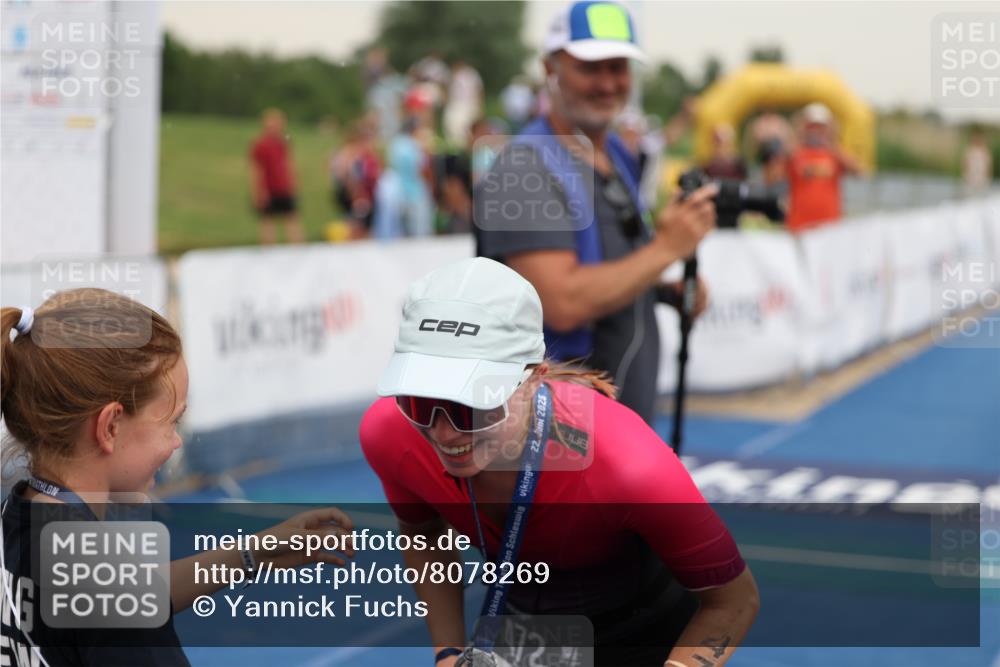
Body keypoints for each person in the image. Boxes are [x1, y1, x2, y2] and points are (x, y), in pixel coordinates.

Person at [360, 257, 759, 667]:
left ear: (533, 379)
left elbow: (734, 599)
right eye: (418, 400)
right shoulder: (390, 433)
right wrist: (447, 652)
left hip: (645, 630)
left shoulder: (629, 465)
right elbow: (423, 535)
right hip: (525, 628)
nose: (443, 433)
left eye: (472, 405)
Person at [1, 289, 354, 666]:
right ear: (110, 426)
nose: (176, 442)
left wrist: (249, 555)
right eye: (171, 422)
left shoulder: (20, 511)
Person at [474, 0, 715, 425]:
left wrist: (661, 292)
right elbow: (561, 302)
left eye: (618, 66)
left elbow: (608, 267)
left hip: (618, 425)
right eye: (590, 67)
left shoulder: (615, 154)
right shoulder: (523, 169)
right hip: (560, 434)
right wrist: (666, 249)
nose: (607, 83)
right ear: (550, 69)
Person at [785, 102, 862, 233]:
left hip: (830, 226)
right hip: (799, 226)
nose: (815, 131)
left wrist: (832, 141)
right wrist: (797, 137)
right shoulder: (795, 154)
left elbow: (859, 171)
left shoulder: (835, 154)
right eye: (811, 126)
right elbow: (773, 175)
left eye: (820, 127)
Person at [249, 108, 305, 244]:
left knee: (291, 217)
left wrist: (294, 182)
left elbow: (288, 163)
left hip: (284, 186)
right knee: (267, 220)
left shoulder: (283, 142)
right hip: (269, 187)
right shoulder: (260, 144)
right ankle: (268, 251)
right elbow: (256, 169)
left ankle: (299, 250)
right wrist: (259, 191)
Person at [444, 59, 484, 147]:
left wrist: (479, 106)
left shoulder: (472, 74)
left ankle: (468, 146)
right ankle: (456, 146)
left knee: (468, 127)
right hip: (455, 104)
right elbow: (447, 89)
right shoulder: (452, 74)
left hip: (469, 103)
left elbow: (478, 90)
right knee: (453, 126)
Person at [962, 127, 993, 197]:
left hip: (981, 177)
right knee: (969, 194)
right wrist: (966, 175)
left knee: (981, 195)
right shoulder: (969, 150)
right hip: (971, 177)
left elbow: (988, 165)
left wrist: (987, 177)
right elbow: (965, 163)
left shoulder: (985, 151)